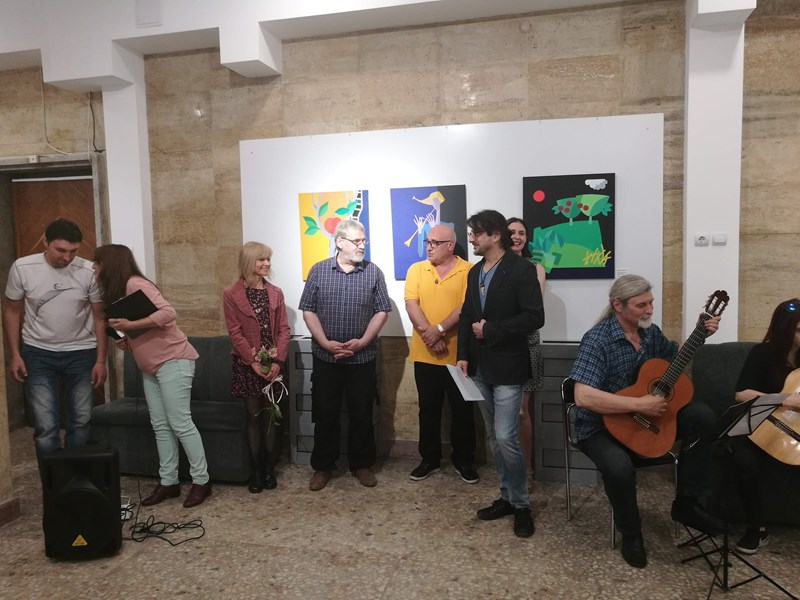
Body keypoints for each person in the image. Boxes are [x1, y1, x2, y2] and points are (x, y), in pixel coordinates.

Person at [569, 274, 723, 568]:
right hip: (600, 426)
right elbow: (583, 396)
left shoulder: (650, 334)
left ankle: (687, 503)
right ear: (618, 305)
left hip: (644, 421)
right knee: (619, 467)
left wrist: (699, 334)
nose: (649, 310)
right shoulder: (597, 340)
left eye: (651, 303)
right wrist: (639, 404)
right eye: (641, 305)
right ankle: (631, 533)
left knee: (703, 416)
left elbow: (676, 357)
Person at [93, 244, 211, 508]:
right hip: (151, 367)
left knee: (180, 423)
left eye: (97, 264)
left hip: (173, 361)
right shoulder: (119, 292)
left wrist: (131, 325)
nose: (94, 269)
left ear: (109, 264)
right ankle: (168, 482)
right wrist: (127, 339)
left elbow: (169, 313)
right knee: (160, 425)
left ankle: (202, 481)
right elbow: (145, 329)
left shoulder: (135, 284)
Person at [456, 209, 544, 538]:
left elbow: (535, 317)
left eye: (476, 233)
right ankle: (506, 497)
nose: (471, 239)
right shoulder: (474, 271)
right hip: (479, 367)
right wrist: (462, 355)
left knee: (506, 437)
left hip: (509, 366)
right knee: (494, 436)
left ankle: (521, 505)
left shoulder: (522, 269)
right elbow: (467, 315)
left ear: (495, 235)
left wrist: (491, 329)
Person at [2, 218, 107, 477]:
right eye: (61, 250)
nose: (67, 257)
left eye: (73, 251)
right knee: (45, 426)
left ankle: (75, 481)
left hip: (82, 352)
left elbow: (99, 317)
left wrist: (100, 360)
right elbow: (12, 310)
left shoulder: (88, 270)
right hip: (37, 353)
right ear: (45, 242)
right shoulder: (23, 268)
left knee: (81, 421)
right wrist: (15, 354)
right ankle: (54, 484)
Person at [299, 220, 391, 491]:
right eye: (356, 241)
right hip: (325, 358)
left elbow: (382, 311)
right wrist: (325, 343)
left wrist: (362, 342)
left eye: (363, 241)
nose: (362, 245)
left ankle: (361, 464)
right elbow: (308, 309)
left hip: (362, 359)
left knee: (361, 413)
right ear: (339, 242)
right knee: (325, 413)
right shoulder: (319, 270)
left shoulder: (373, 272)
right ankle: (323, 466)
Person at [404, 223, 477, 483]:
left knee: (462, 411)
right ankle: (429, 459)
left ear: (450, 245)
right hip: (425, 353)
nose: (429, 247)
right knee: (428, 410)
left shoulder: (469, 270)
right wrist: (430, 334)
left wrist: (439, 329)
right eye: (427, 242)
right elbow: (411, 304)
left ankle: (464, 460)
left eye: (435, 243)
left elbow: (466, 306)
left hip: (459, 355)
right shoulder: (416, 269)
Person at [730, 298, 800, 554]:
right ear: (784, 329)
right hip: (763, 423)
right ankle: (756, 527)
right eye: (799, 330)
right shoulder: (763, 353)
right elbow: (741, 394)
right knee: (744, 460)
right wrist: (784, 399)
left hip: (796, 429)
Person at [223, 241, 290, 493]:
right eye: (261, 259)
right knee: (253, 416)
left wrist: (277, 361)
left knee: (271, 415)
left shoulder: (276, 293)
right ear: (248, 261)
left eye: (268, 259)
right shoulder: (231, 294)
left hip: (273, 364)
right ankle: (256, 471)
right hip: (247, 364)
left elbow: (283, 330)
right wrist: (252, 361)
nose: (266, 264)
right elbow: (235, 332)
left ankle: (269, 468)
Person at [507, 217, 546, 480]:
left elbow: (533, 310)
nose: (517, 237)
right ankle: (507, 469)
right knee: (502, 414)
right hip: (497, 346)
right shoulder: (491, 267)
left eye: (521, 232)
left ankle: (526, 469)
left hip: (526, 344)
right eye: (512, 232)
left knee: (522, 413)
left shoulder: (536, 268)